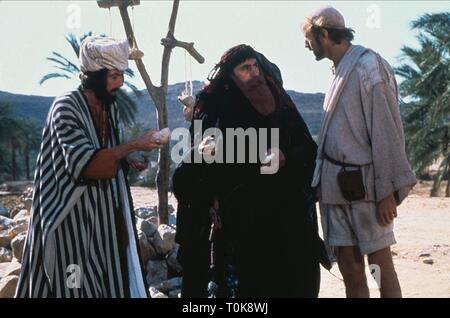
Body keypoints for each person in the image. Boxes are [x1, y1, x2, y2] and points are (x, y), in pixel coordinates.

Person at [172, 44, 330, 298]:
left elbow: (308, 151)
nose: (254, 73)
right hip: (241, 231)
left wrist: (285, 158)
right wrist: (201, 154)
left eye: (255, 66)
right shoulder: (215, 109)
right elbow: (185, 181)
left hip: (289, 225)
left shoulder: (282, 106)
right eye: (245, 68)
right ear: (231, 75)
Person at [16, 36, 165, 298]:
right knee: (71, 287)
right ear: (94, 74)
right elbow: (88, 166)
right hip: (67, 221)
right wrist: (131, 146)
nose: (119, 83)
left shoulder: (110, 108)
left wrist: (127, 159)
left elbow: (108, 160)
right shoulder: (66, 108)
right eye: (114, 76)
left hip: (101, 224)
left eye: (122, 76)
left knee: (104, 287)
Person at [301, 7, 417, 298]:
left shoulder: (369, 67)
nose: (306, 45)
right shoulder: (338, 70)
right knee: (350, 270)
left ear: (323, 35)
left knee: (380, 265)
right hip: (334, 189)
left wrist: (387, 191)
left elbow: (387, 131)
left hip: (365, 187)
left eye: (309, 38)